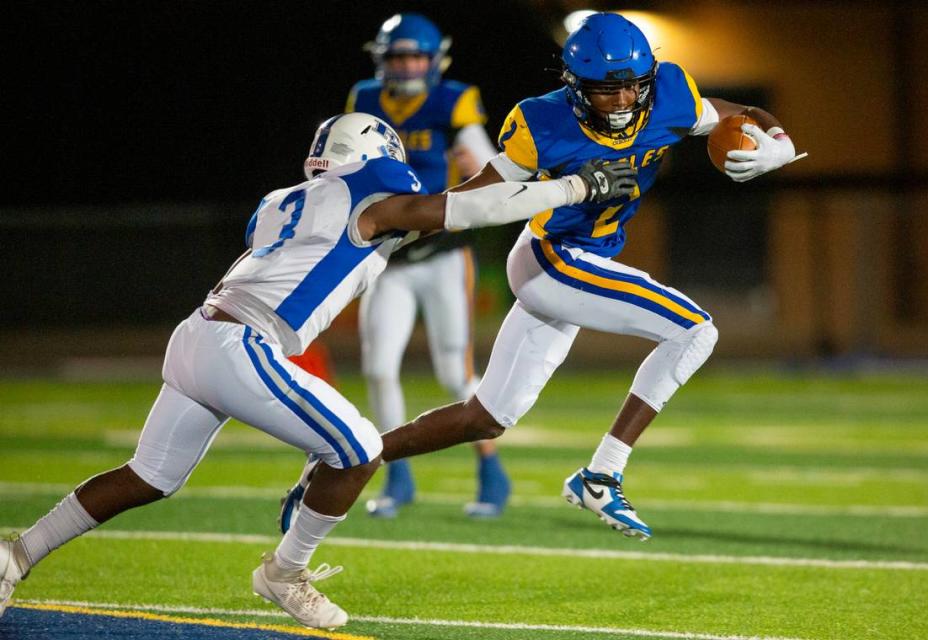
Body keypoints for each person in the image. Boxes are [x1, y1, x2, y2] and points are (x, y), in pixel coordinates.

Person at [0, 112, 637, 628]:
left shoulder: (284, 200)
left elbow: (414, 224)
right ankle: (283, 572)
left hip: (196, 334)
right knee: (358, 449)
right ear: (373, 156)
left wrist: (504, 181)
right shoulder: (368, 194)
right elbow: (456, 213)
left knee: (148, 476)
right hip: (241, 345)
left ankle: (16, 553)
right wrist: (575, 188)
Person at [364, 13, 803, 539]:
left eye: (630, 88)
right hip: (553, 255)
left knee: (484, 419)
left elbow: (741, 111)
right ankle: (603, 473)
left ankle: (355, 454)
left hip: (580, 261)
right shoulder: (543, 122)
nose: (620, 101)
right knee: (695, 329)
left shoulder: (669, 95)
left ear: (648, 80)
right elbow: (477, 194)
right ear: (574, 85)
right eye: (604, 90)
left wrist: (775, 140)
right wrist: (398, 228)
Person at [280, 13, 507, 527]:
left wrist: (481, 169)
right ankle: (394, 475)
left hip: (446, 254)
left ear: (434, 61)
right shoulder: (362, 99)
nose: (406, 66)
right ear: (382, 59)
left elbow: (483, 159)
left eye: (415, 56)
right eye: (398, 56)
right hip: (388, 257)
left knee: (454, 371)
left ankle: (491, 471)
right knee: (380, 367)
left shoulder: (453, 100)